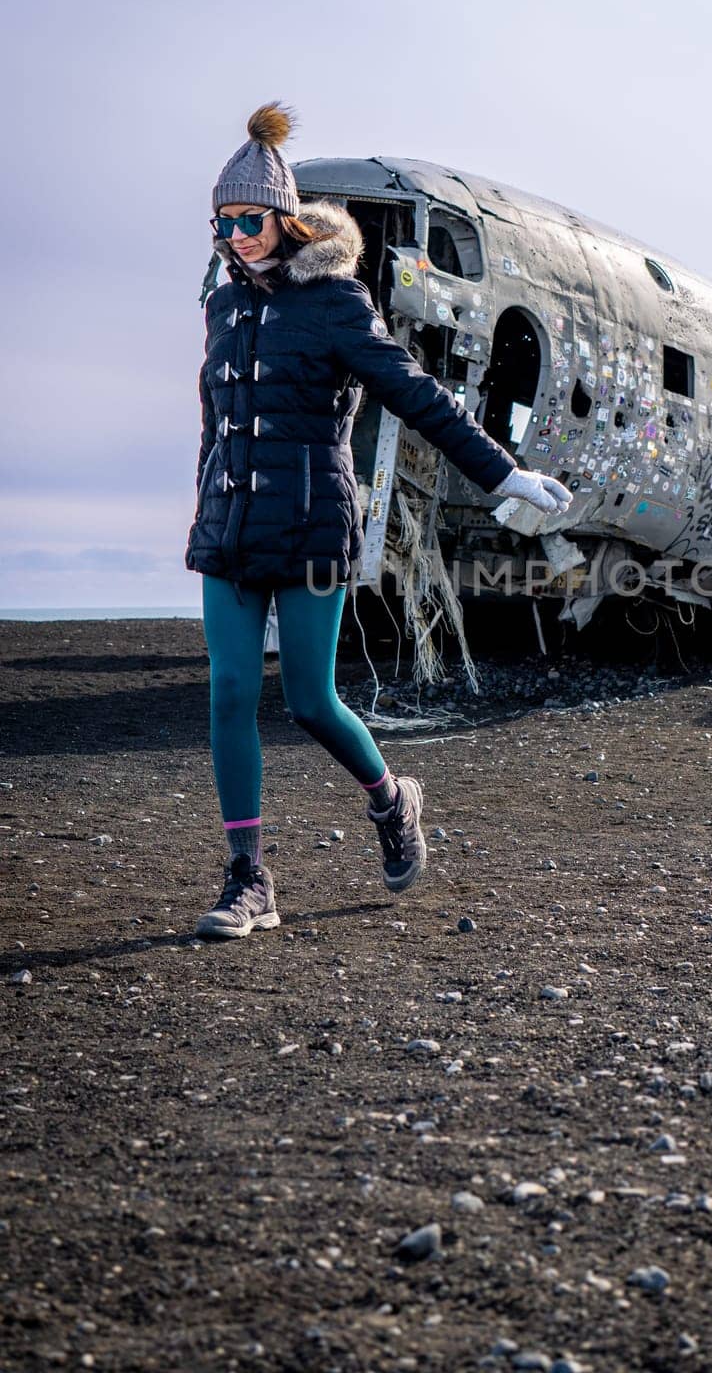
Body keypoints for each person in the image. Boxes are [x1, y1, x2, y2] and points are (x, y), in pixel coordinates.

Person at [185, 103, 573, 940]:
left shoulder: (334, 302)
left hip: (313, 525)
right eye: (222, 221)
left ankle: (394, 800)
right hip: (229, 527)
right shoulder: (222, 309)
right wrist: (206, 504)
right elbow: (217, 423)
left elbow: (416, 394)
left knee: (313, 702)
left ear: (284, 217)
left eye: (249, 219)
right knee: (228, 694)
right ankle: (249, 879)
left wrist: (503, 472)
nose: (236, 234)